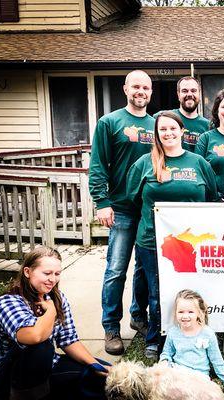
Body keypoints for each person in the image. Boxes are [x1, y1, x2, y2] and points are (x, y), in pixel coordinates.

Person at [126, 111, 218, 359]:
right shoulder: (145, 163)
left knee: (193, 290)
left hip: (191, 243)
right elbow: (132, 199)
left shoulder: (199, 163)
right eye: (162, 129)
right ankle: (156, 339)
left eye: (172, 128)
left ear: (182, 131)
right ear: (156, 134)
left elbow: (212, 197)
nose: (168, 133)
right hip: (153, 241)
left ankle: (196, 333)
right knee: (158, 293)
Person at [89, 69, 154, 355]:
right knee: (116, 270)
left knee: (143, 269)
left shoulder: (157, 125)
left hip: (149, 210)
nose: (141, 92)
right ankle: (111, 326)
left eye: (146, 88)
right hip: (121, 209)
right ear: (125, 89)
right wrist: (101, 201)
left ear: (151, 93)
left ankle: (138, 317)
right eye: (136, 87)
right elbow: (98, 164)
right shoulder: (109, 122)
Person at [0, 247, 109, 400]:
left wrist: (95, 365)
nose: (53, 279)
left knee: (102, 376)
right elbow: (35, 336)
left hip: (46, 367)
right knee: (41, 347)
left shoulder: (58, 298)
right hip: (5, 379)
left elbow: (69, 340)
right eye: (47, 273)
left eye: (57, 274)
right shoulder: (8, 302)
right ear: (27, 272)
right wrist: (51, 310)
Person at [160, 289, 224, 387]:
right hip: (178, 372)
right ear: (175, 313)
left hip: (199, 376)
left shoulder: (207, 333)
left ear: (199, 313)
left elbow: (216, 359)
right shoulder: (173, 332)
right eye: (180, 312)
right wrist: (164, 362)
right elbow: (167, 352)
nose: (185, 316)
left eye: (190, 312)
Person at [153, 76, 210, 152]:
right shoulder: (162, 118)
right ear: (178, 94)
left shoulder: (208, 126)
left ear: (199, 94)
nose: (189, 94)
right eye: (185, 91)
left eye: (193, 91)